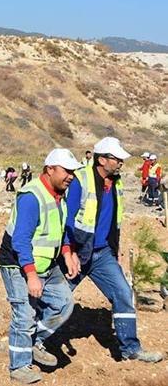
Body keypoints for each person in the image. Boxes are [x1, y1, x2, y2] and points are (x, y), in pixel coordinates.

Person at [64, 137, 163, 363]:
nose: (120, 163)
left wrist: (114, 249)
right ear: (101, 159)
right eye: (116, 158)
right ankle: (31, 341)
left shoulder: (115, 183)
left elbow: (113, 220)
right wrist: (68, 251)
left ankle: (130, 349)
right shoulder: (81, 180)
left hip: (103, 253)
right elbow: (66, 220)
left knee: (123, 293)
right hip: (77, 253)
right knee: (56, 299)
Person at [0, 149, 80, 384]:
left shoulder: (59, 194)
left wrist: (67, 254)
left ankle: (32, 342)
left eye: (73, 172)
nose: (71, 177)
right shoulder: (32, 197)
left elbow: (60, 229)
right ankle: (19, 366)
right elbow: (20, 240)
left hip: (47, 262)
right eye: (66, 171)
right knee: (24, 314)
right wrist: (31, 275)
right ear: (50, 169)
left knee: (63, 304)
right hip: (17, 263)